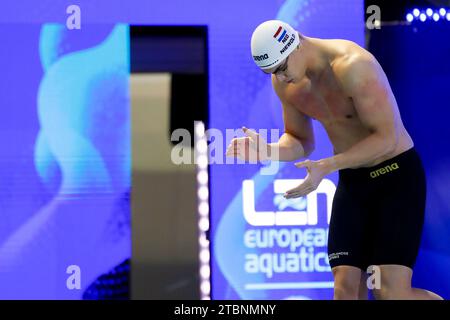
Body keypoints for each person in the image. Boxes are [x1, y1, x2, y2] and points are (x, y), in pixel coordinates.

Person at [226, 20, 443, 300]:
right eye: (271, 72)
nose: (279, 78)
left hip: (396, 175)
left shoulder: (353, 66)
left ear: (297, 43)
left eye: (281, 68)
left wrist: (327, 166)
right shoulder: (286, 84)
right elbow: (300, 141)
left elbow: (386, 138)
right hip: (354, 182)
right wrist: (268, 150)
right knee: (345, 290)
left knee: (389, 292)